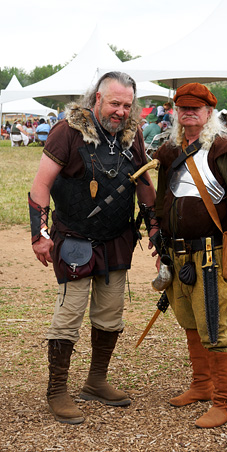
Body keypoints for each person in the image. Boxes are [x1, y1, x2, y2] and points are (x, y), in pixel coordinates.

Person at [28, 71, 157, 425]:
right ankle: (57, 391)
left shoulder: (132, 136)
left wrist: (155, 225)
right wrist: (39, 234)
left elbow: (144, 182)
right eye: (115, 103)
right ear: (97, 98)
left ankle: (96, 381)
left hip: (117, 239)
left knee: (110, 315)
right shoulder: (66, 132)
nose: (121, 111)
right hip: (75, 241)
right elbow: (40, 187)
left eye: (127, 105)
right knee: (69, 316)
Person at [153, 82, 227, 429]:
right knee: (190, 322)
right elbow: (161, 205)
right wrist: (161, 247)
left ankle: (224, 403)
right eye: (183, 108)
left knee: (215, 329)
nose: (189, 113)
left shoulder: (224, 151)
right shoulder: (169, 153)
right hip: (177, 255)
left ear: (209, 113)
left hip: (212, 256)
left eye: (195, 109)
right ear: (177, 113)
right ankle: (202, 385)